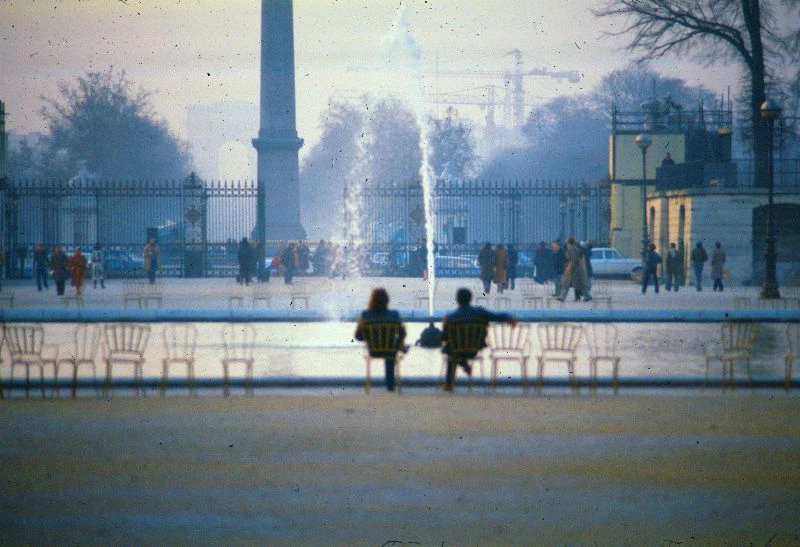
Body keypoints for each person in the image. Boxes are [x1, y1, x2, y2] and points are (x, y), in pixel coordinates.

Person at [441, 288, 516, 392]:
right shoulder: (480, 313)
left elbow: (444, 337)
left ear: (457, 300)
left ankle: (450, 382)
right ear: (470, 299)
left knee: (450, 350)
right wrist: (509, 317)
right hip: (474, 350)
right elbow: (496, 316)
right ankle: (464, 363)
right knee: (454, 350)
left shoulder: (450, 317)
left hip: (456, 351)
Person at [354, 288, 407, 392]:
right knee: (391, 350)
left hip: (373, 351)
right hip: (391, 351)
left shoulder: (365, 315)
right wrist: (398, 345)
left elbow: (358, 336)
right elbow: (402, 333)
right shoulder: (394, 314)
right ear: (387, 300)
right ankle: (390, 386)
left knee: (389, 347)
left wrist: (369, 337)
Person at [557, 237, 591, 302]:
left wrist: (570, 269)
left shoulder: (572, 249)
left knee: (567, 283)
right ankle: (587, 296)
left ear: (569, 243)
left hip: (575, 270)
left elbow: (574, 260)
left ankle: (562, 297)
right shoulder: (576, 247)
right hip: (577, 270)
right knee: (577, 284)